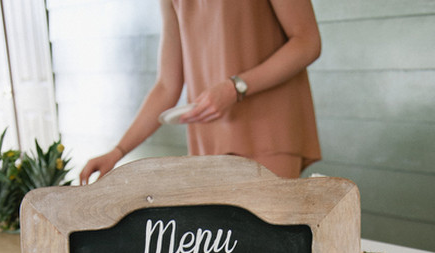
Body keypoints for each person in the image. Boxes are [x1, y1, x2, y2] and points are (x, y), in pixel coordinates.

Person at [80, 0, 321, 184]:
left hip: (269, 136)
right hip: (208, 149)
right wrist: (117, 152)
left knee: (267, 245)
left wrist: (235, 87)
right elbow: (167, 85)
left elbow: (307, 42)